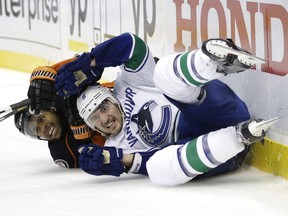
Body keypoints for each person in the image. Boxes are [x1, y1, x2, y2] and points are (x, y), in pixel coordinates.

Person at [54, 33, 275, 185]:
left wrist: (93, 60)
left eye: (103, 107)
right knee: (158, 169)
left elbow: (132, 45)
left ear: (113, 98)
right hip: (220, 153)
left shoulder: (129, 84)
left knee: (162, 74)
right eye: (95, 118)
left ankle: (213, 62)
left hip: (218, 109)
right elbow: (147, 162)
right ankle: (238, 137)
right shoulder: (114, 148)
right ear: (94, 128)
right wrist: (122, 162)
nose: (104, 118)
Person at [14, 61, 106, 168]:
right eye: (37, 130)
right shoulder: (63, 152)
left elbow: (85, 62)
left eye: (42, 119)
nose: (44, 127)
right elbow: (110, 155)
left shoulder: (63, 94)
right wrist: (90, 134)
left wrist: (45, 75)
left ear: (51, 109)